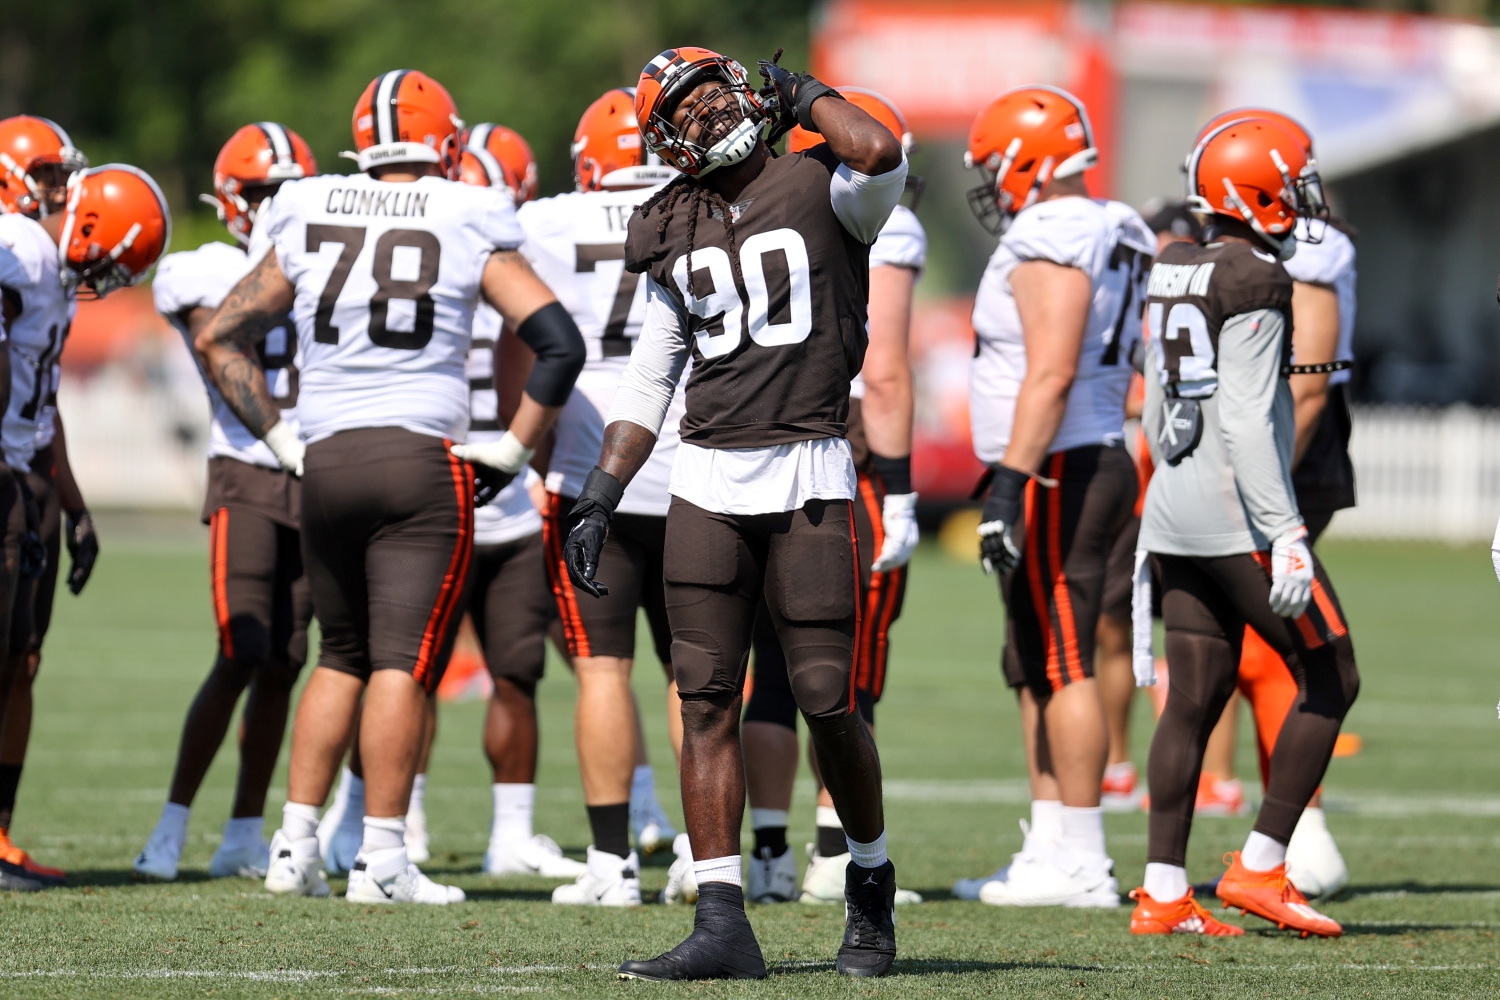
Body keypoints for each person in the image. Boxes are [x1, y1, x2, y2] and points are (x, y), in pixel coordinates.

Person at [195, 68, 585, 906]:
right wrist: (512, 453)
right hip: (420, 461)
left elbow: (221, 336)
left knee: (338, 656)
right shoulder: (470, 209)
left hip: (327, 459)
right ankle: (382, 859)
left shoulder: (306, 204)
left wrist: (281, 438)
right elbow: (558, 342)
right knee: (401, 665)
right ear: (445, 143)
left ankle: (294, 848)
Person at [567, 47, 907, 979]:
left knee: (825, 696)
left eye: (716, 90)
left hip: (806, 467)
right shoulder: (671, 223)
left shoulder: (826, 184)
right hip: (705, 479)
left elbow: (878, 149)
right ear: (664, 141)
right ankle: (723, 919)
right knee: (704, 697)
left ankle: (868, 879)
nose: (708, 113)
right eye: (686, 107)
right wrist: (602, 490)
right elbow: (654, 371)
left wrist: (805, 93)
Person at [1127, 117, 1358, 938]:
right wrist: (1286, 528)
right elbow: (1250, 420)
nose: (1301, 198)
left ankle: (1161, 892)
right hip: (1237, 512)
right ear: (1250, 188)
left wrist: (1169, 489)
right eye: (1290, 182)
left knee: (1193, 695)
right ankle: (1261, 866)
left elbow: (1158, 406)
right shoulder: (1256, 274)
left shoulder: (1176, 262)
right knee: (1333, 674)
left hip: (1177, 503)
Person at [316, 121, 559, 876]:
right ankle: (394, 822)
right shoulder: (463, 233)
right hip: (442, 478)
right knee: (405, 663)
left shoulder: (505, 243)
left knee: (503, 670)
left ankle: (497, 832)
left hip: (477, 483)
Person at [951, 86, 1153, 908]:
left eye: (996, 167)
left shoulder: (1055, 231)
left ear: (1028, 160)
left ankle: (1083, 859)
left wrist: (1010, 478)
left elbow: (1053, 367)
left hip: (1060, 462)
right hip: (1081, 452)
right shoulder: (1115, 223)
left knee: (1063, 658)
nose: (994, 185)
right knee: (1036, 655)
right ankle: (1051, 846)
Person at [739, 87, 923, 907]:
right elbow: (881, 372)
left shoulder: (756, 203)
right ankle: (831, 856)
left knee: (768, 679)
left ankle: (770, 852)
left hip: (747, 455)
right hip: (834, 463)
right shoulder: (871, 210)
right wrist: (904, 486)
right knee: (844, 679)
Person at [509, 90, 687, 906]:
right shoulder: (704, 206)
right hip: (694, 470)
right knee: (698, 677)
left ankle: (612, 864)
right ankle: (702, 854)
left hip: (590, 473)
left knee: (600, 672)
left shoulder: (545, 220)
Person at [136, 123, 317, 882]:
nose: (273, 204)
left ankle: (245, 829)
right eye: (261, 191)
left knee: (287, 660)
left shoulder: (328, 255)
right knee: (242, 650)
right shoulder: (202, 270)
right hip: (245, 468)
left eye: (284, 190)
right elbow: (217, 336)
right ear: (230, 200)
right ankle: (171, 824)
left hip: (315, 476)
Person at [1188, 108, 1360, 899]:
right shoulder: (1244, 253)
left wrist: (1271, 506)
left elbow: (1311, 384)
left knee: (1283, 651)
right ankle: (1269, 845)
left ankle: (1299, 835)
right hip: (1248, 466)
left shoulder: (1305, 250)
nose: (1307, 192)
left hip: (1279, 466)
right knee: (1241, 653)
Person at [0, 158, 169, 891]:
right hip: (4, 476)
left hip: (28, 477)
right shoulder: (23, 246)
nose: (110, 278)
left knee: (21, 662)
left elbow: (41, 403)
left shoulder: (55, 278)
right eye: (112, 259)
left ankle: (0, 834)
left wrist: (73, 505)